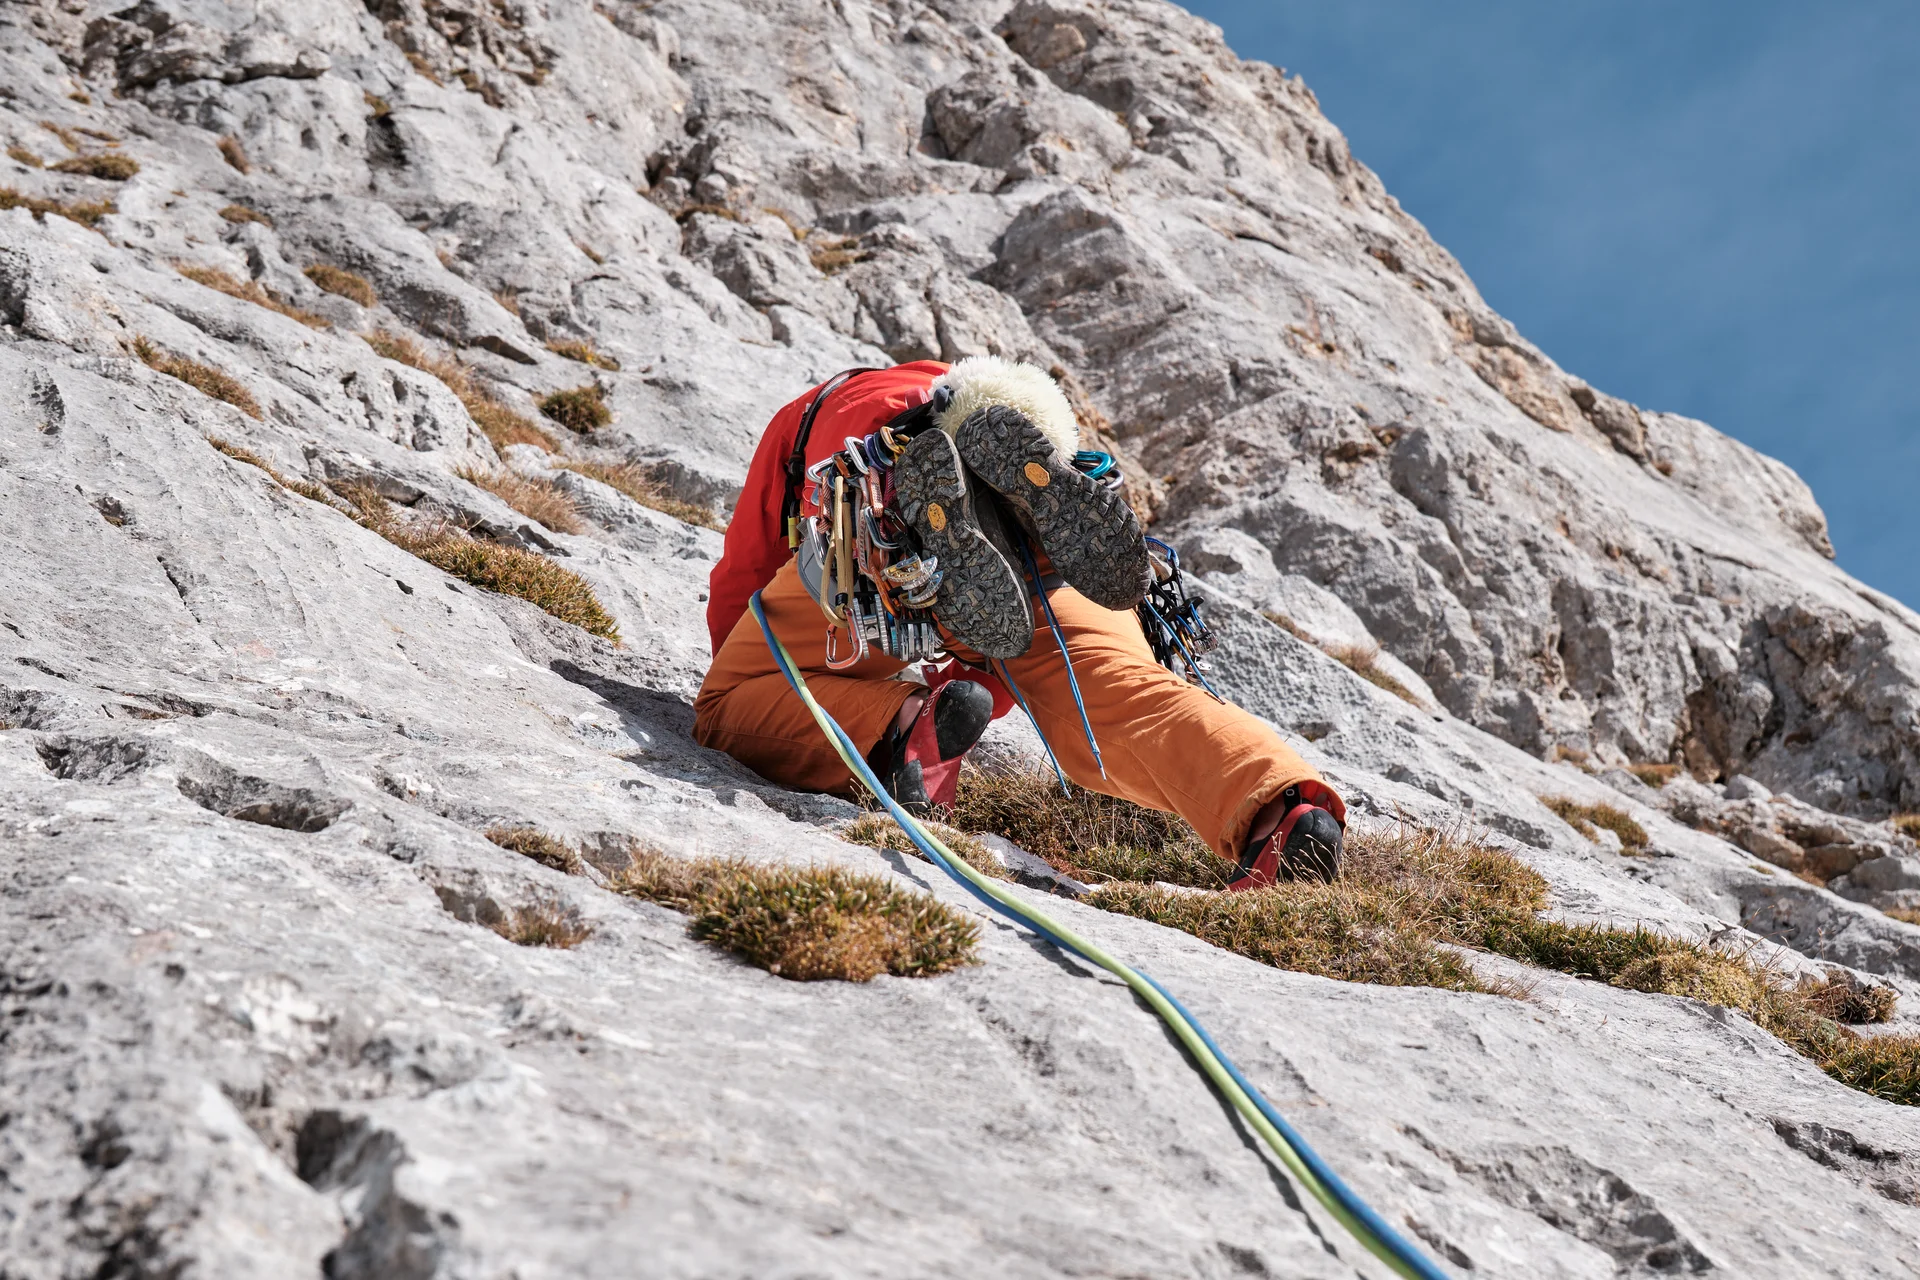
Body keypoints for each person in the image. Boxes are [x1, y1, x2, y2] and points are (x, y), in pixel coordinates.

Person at [693, 357, 1346, 889]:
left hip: (880, 533)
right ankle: (1281, 807)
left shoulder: (805, 419)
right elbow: (997, 639)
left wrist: (927, 704)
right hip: (1047, 560)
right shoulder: (985, 395)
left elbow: (744, 572)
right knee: (1124, 696)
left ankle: (897, 729)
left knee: (730, 703)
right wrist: (980, 675)